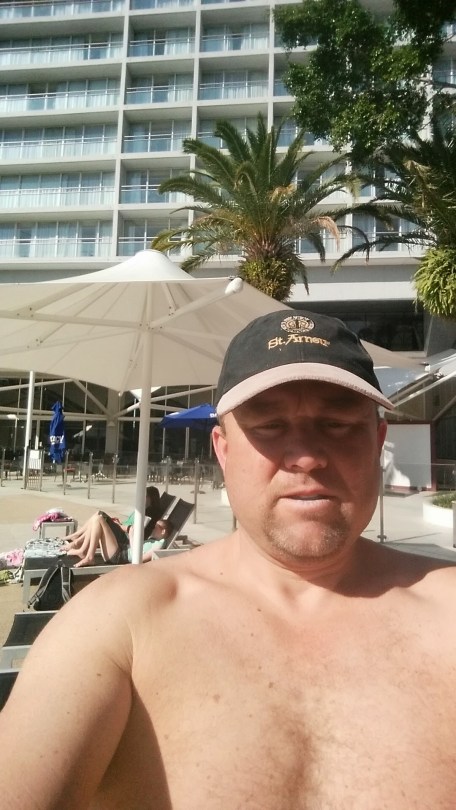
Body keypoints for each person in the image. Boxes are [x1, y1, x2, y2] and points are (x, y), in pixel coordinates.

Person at [1, 309, 456, 808]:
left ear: (378, 442)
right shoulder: (119, 625)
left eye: (337, 423)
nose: (306, 456)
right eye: (270, 425)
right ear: (222, 450)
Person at [60, 485, 172, 566]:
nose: (142, 497)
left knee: (99, 516)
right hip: (121, 548)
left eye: (145, 496)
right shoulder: (144, 514)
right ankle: (80, 546)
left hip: (121, 548)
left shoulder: (150, 518)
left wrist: (128, 530)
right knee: (97, 517)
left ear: (151, 498)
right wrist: (123, 526)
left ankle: (81, 546)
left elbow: (137, 558)